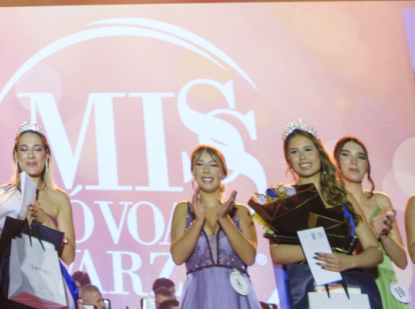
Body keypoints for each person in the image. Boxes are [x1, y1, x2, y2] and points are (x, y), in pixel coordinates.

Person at [261, 122, 383, 309]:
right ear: (288, 160)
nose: (302, 157)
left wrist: (349, 261)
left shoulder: (343, 197)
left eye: (308, 149)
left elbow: (375, 252)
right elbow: (277, 253)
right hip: (305, 290)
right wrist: (321, 250)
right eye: (294, 152)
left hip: (349, 291)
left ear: (319, 152)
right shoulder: (281, 198)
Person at [0, 121, 77, 307]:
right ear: (15, 155)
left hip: (47, 289)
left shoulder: (59, 199)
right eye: (24, 149)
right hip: (13, 288)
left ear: (46, 154)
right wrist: (16, 224)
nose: (31, 155)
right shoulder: (2, 197)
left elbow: (69, 256)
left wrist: (46, 221)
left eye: (37, 149)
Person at [169, 146, 260, 309]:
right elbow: (177, 257)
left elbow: (249, 258)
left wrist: (223, 218)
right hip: (199, 296)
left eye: (213, 165)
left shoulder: (239, 211)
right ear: (193, 172)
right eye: (200, 164)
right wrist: (198, 221)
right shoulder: (183, 209)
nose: (206, 170)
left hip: (236, 296)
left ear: (222, 172)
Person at [333, 137, 408, 309]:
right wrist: (371, 233)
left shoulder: (380, 201)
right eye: (346, 155)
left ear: (367, 164)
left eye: (360, 157)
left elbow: (402, 261)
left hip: (388, 285)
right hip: (355, 285)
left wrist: (384, 234)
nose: (354, 161)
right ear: (336, 162)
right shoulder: (333, 205)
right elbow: (338, 258)